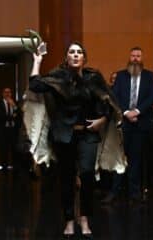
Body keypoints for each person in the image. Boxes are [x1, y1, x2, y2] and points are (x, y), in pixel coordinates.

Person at [29, 41, 115, 238]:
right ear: (66, 57)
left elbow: (109, 102)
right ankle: (69, 220)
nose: (75, 55)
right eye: (71, 52)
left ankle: (84, 219)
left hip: (88, 133)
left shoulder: (94, 77)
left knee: (86, 175)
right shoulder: (58, 77)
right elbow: (35, 85)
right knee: (66, 179)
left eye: (79, 52)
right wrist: (37, 60)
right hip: (64, 135)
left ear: (84, 57)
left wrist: (102, 120)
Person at [102, 46, 153, 204]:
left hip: (141, 124)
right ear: (129, 57)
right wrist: (126, 112)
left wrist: (137, 111)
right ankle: (114, 191)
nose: (135, 59)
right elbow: (115, 96)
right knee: (119, 158)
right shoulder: (120, 76)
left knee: (136, 160)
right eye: (133, 55)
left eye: (138, 56)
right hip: (123, 124)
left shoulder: (149, 76)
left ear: (142, 58)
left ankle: (134, 193)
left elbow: (152, 97)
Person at [0, 87, 22, 173]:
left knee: (15, 151)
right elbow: (1, 117)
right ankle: (4, 171)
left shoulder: (15, 103)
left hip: (13, 131)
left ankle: (15, 170)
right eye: (5, 92)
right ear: (2, 94)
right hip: (3, 131)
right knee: (4, 152)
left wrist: (14, 106)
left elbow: (20, 115)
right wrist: (12, 117)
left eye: (9, 92)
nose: (7, 94)